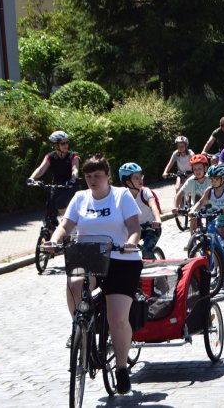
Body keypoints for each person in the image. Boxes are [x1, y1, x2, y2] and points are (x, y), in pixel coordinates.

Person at [49, 155, 141, 394]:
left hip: (121, 258)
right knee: (74, 282)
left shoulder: (121, 196)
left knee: (118, 317)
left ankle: (121, 367)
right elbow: (66, 226)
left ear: (107, 176)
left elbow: (134, 227)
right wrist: (54, 240)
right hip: (88, 254)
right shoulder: (80, 198)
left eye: (97, 176)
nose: (92, 181)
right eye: (88, 176)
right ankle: (80, 328)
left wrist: (131, 243)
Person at [27, 130, 80, 220]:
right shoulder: (50, 156)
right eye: (63, 143)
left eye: (67, 142)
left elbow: (75, 170)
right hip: (56, 185)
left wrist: (72, 179)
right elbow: (41, 169)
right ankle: (50, 229)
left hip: (70, 186)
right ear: (56, 145)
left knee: (60, 203)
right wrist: (31, 178)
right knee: (50, 211)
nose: (66, 145)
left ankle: (72, 222)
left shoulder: (72, 157)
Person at [118, 162, 162, 259]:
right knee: (121, 250)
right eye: (136, 177)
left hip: (152, 227)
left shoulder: (145, 192)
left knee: (146, 250)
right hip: (135, 229)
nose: (140, 179)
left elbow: (153, 205)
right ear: (128, 182)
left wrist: (157, 219)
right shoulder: (122, 196)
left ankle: (155, 270)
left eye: (140, 176)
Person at [173, 154, 211, 238]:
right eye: (195, 169)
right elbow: (180, 194)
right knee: (193, 217)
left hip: (211, 205)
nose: (197, 171)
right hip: (197, 207)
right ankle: (192, 240)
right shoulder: (191, 180)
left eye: (199, 168)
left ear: (205, 168)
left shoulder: (210, 178)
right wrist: (175, 207)